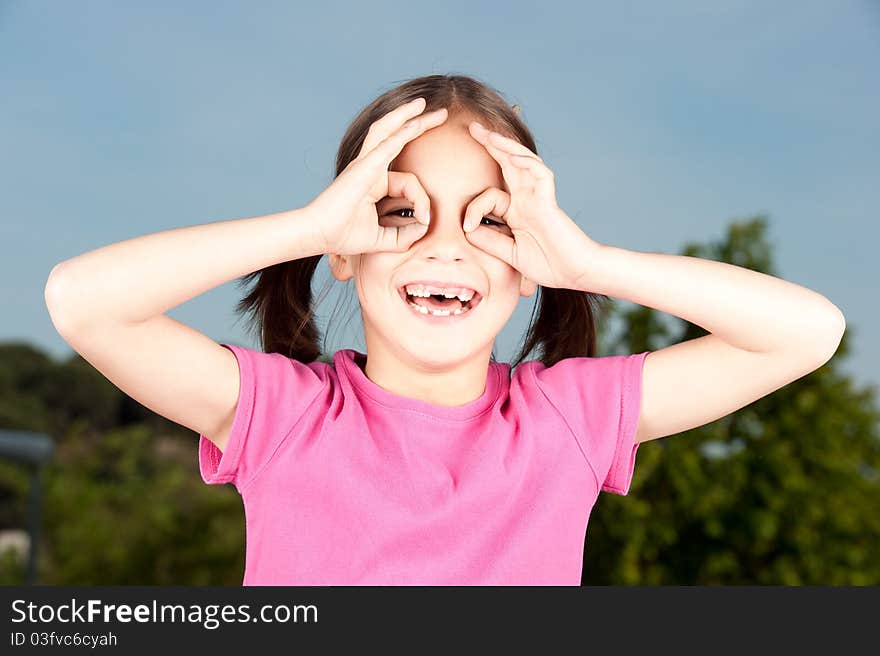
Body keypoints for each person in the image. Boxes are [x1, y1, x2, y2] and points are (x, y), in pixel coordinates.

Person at [43, 74, 844, 586]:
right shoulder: (283, 416)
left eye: (488, 222)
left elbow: (806, 332)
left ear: (530, 261)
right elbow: (83, 301)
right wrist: (311, 226)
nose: (444, 246)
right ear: (349, 251)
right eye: (400, 212)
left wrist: (591, 261)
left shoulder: (566, 419)